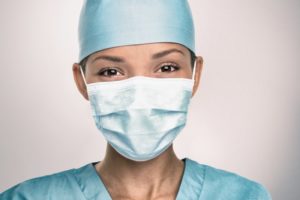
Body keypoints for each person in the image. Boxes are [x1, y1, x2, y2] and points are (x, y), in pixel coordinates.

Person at [0, 0, 272, 199]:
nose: (140, 95)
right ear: (81, 81)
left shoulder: (244, 196)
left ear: (195, 75)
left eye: (166, 68)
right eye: (111, 71)